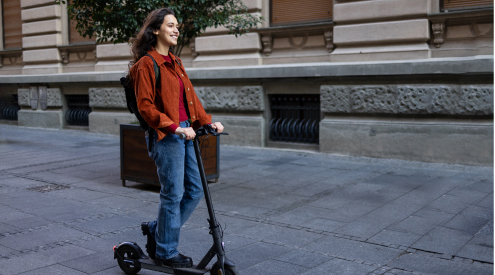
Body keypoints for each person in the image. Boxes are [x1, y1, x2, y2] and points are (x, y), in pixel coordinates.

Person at [129, 8, 224, 268]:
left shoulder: (176, 61)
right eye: (170, 25)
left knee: (194, 190)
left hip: (187, 131)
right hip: (167, 134)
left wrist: (208, 122)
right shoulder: (146, 64)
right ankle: (166, 252)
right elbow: (146, 107)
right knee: (173, 194)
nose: (176, 30)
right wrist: (175, 128)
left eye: (177, 26)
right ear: (156, 29)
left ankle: (156, 229)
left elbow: (189, 98)